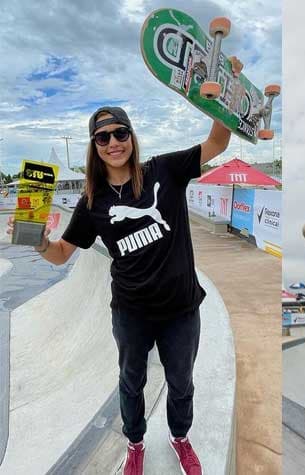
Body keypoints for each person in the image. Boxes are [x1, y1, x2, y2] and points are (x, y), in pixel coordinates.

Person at [6, 58, 245, 475]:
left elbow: (218, 144)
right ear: (94, 146)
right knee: (131, 383)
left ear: (131, 136)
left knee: (182, 383)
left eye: (120, 133)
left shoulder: (165, 171)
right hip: (132, 313)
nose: (113, 142)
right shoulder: (92, 202)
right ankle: (135, 443)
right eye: (103, 138)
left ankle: (179, 437)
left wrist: (226, 90)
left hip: (182, 310)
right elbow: (63, 253)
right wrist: (40, 241)